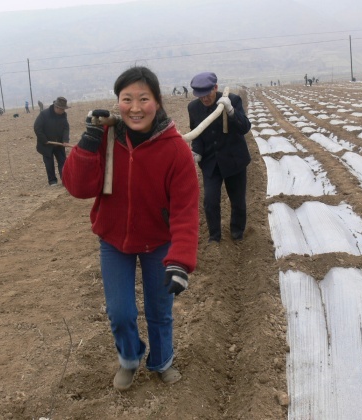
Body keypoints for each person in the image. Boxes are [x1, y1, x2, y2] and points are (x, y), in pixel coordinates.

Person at [62, 66, 199, 391]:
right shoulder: (107, 137)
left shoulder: (175, 149)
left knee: (159, 310)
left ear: (157, 101)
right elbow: (79, 188)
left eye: (143, 98)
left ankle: (162, 361)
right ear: (118, 101)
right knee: (120, 312)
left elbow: (185, 210)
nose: (135, 107)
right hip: (114, 241)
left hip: (159, 242)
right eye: (127, 99)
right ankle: (129, 358)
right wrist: (88, 140)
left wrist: (180, 261)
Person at [188, 71, 251, 243]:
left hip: (234, 160)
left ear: (215, 87)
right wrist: (197, 152)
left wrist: (231, 111)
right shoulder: (193, 108)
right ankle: (214, 237)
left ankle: (237, 233)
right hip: (211, 163)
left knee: (237, 201)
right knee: (210, 201)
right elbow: (197, 133)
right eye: (200, 96)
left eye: (207, 94)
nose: (205, 99)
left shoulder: (233, 100)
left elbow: (245, 127)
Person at [33, 96, 70, 186]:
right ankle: (52, 181)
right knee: (49, 163)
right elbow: (37, 128)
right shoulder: (44, 114)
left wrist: (65, 139)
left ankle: (65, 179)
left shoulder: (63, 115)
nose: (63, 111)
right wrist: (44, 139)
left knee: (62, 161)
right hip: (46, 144)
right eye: (62, 109)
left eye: (64, 109)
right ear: (56, 107)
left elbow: (66, 128)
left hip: (59, 143)